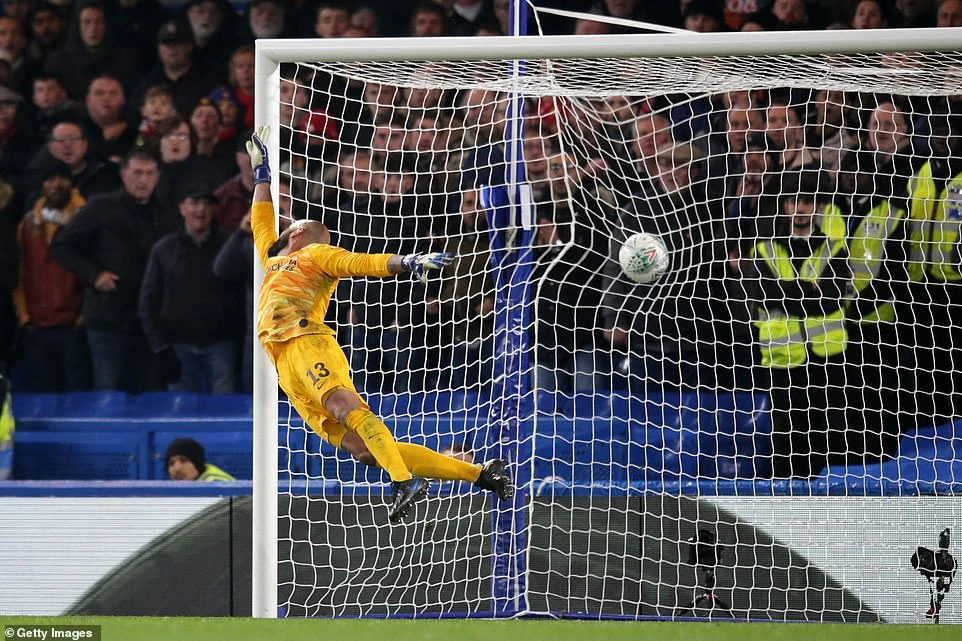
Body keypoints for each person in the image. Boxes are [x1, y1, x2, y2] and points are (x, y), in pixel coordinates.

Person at [245, 127, 514, 523]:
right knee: (364, 451)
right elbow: (261, 220)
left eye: (288, 226)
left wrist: (406, 262)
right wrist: (262, 175)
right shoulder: (272, 260)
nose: (279, 229)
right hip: (284, 364)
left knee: (344, 406)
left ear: (298, 232)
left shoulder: (315, 254)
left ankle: (403, 480)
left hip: (305, 340)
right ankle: (480, 473)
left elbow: (361, 263)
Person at [165, 436, 236, 481]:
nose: (177, 469)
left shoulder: (214, 484)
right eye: (171, 463)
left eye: (184, 461)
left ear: (197, 464)